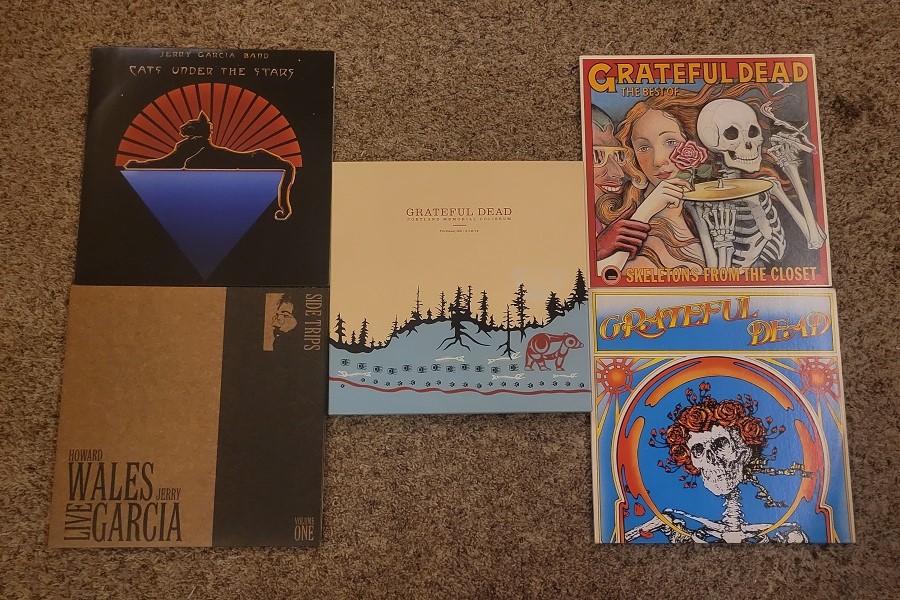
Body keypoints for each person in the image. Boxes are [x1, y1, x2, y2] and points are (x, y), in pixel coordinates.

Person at [597, 82, 780, 272]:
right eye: (644, 147)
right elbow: (605, 277)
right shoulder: (623, 222)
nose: (658, 161)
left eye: (671, 142)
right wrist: (646, 210)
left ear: (695, 145)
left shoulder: (704, 214)